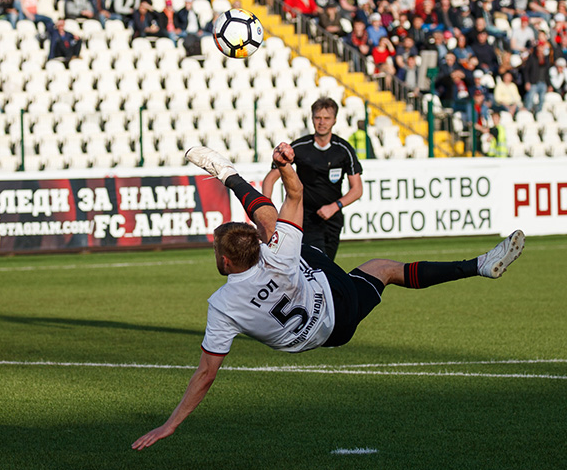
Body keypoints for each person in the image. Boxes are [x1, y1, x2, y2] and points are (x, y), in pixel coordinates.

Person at [132, 145, 525, 450]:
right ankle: (477, 265)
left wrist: (171, 424)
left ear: (224, 260)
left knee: (370, 265)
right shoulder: (276, 249)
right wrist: (285, 164)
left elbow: (206, 373)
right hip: (332, 298)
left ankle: (226, 171)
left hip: (330, 332)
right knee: (361, 260)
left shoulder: (221, 306)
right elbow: (295, 193)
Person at [261, 97, 363, 261]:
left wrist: (334, 207)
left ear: (334, 120)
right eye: (318, 118)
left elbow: (357, 189)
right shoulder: (300, 147)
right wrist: (265, 209)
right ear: (312, 118)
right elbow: (270, 179)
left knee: (327, 266)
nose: (322, 122)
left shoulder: (344, 150)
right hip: (305, 217)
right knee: (317, 263)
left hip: (333, 218)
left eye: (327, 118)